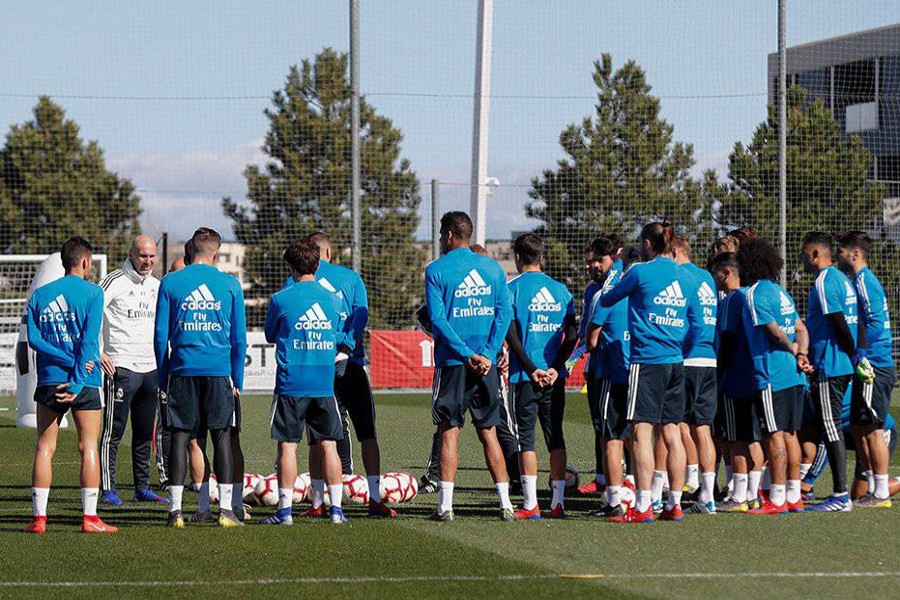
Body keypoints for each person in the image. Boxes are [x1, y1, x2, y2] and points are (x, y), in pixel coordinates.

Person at [599, 221, 693, 523]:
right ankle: (674, 503)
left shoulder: (640, 271)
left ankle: (642, 507)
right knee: (672, 432)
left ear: (648, 245)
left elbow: (607, 297)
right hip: (676, 360)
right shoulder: (685, 276)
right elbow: (692, 323)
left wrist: (620, 264)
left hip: (647, 360)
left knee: (641, 432)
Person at [154, 227, 247, 528]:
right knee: (221, 438)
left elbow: (159, 336)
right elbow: (239, 340)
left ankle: (175, 512)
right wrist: (238, 379)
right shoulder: (230, 284)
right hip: (220, 373)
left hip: (182, 370)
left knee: (180, 438)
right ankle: (226, 513)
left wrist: (163, 373)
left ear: (190, 250)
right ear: (216, 254)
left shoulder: (170, 281)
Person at [425, 211, 514, 522]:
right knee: (489, 431)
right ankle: (506, 504)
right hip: (486, 365)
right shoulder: (493, 268)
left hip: (453, 363)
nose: (439, 240)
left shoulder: (436, 270)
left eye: (440, 234)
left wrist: (465, 354)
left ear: (450, 234)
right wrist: (487, 354)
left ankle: (445, 507)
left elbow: (438, 320)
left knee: (449, 431)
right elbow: (504, 315)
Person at [24, 237, 117, 534]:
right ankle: (90, 519)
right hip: (84, 381)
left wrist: (62, 356)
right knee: (88, 447)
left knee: (44, 447)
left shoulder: (39, 295)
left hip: (50, 380)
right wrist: (77, 379)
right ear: (86, 262)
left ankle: (39, 520)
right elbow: (90, 343)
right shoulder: (92, 292)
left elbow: (35, 341)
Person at [261, 239, 349, 525]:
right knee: (329, 445)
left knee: (288, 446)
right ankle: (336, 511)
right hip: (323, 383)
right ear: (318, 264)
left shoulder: (281, 299)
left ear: (291, 267)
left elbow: (271, 335)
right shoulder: (333, 300)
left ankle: (284, 512)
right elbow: (337, 335)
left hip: (291, 384)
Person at [505, 233, 577, 519]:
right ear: (542, 258)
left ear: (518, 258)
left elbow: (511, 335)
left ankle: (531, 504)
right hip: (553, 378)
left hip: (525, 378)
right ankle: (557, 503)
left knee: (526, 440)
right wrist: (555, 368)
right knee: (555, 437)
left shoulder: (513, 290)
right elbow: (572, 335)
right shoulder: (561, 291)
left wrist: (531, 368)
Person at [738, 238, 811, 514]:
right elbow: (800, 327)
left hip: (770, 375)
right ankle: (793, 496)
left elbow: (772, 329)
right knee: (791, 435)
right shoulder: (781, 291)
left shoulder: (753, 294)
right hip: (793, 374)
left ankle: (777, 499)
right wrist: (801, 354)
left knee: (774, 436)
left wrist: (790, 346)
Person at [98, 235, 168, 505]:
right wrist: (99, 352)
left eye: (151, 256)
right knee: (113, 433)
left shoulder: (156, 285)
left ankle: (142, 487)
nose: (147, 261)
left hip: (151, 368)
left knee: (143, 434)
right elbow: (92, 312)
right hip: (121, 367)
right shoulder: (114, 281)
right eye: (142, 256)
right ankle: (108, 489)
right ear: (130, 254)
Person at [801, 232, 862, 513]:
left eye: (803, 253)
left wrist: (851, 352)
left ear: (815, 254)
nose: (802, 258)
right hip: (840, 364)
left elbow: (838, 321)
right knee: (832, 426)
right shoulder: (843, 280)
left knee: (831, 427)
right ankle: (840, 494)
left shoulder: (825, 280)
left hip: (832, 364)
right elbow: (855, 321)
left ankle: (840, 494)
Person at [836, 230, 895, 507]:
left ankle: (882, 492)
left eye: (842, 250)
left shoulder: (864, 283)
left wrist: (861, 355)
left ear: (855, 254)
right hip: (866, 365)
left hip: (875, 365)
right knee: (859, 428)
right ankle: (873, 487)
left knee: (873, 428)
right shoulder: (857, 281)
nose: (838, 255)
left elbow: (873, 323)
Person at [709, 252, 764, 512]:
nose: (714, 279)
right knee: (753, 437)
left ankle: (738, 496)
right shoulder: (748, 297)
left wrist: (719, 373)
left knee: (735, 440)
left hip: (733, 379)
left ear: (726, 273)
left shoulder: (732, 299)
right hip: (750, 377)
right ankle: (753, 493)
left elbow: (728, 340)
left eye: (716, 273)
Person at [585, 242, 637, 518]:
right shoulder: (643, 293)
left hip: (612, 372)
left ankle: (614, 499)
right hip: (640, 372)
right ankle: (644, 497)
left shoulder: (607, 295)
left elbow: (591, 341)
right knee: (639, 436)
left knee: (611, 437)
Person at [671, 237, 719, 514]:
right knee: (702, 428)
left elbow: (685, 320)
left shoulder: (680, 275)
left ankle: (676, 485)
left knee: (673, 423)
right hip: (709, 359)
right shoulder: (707, 278)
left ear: (676, 252)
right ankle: (708, 495)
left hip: (686, 358)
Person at [577, 235, 624, 496]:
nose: (592, 265)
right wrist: (577, 355)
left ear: (613, 259)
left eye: (598, 260)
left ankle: (625, 480)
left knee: (624, 427)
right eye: (589, 261)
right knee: (600, 424)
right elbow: (586, 332)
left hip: (620, 364)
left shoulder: (622, 285)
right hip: (596, 366)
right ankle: (601, 477)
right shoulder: (591, 290)